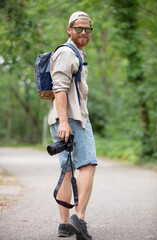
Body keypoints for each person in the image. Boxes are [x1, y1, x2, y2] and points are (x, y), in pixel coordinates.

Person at [48, 11, 98, 240]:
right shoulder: (67, 53)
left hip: (64, 119)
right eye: (79, 28)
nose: (83, 33)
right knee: (87, 164)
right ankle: (79, 218)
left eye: (88, 29)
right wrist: (65, 123)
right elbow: (59, 88)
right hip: (72, 120)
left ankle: (64, 224)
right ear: (69, 29)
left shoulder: (75, 53)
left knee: (67, 170)